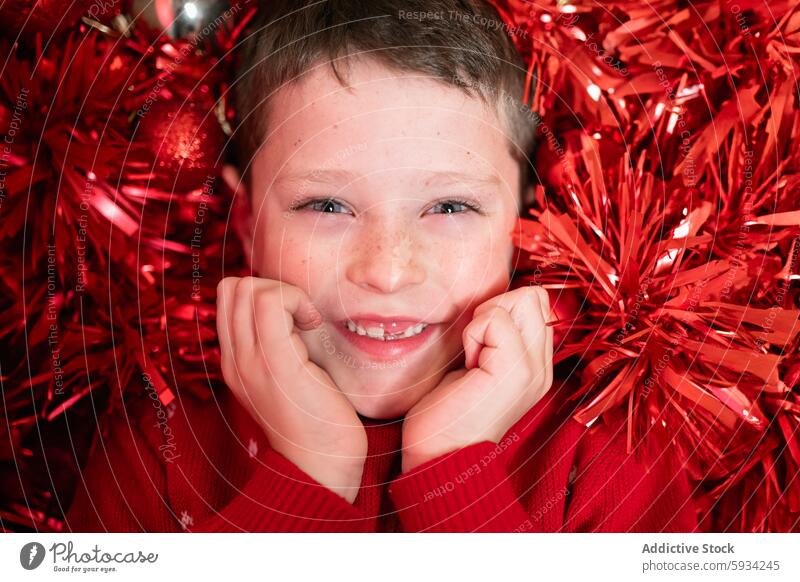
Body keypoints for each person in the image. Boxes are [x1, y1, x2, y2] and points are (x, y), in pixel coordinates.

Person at [66, 0, 699, 532]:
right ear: (247, 223)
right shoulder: (159, 454)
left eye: (449, 206)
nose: (387, 271)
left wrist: (456, 475)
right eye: (328, 204)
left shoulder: (614, 451)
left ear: (526, 228)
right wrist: (308, 480)